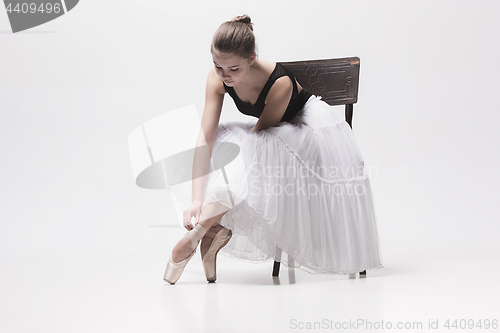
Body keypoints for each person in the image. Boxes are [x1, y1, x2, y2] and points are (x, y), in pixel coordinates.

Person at [163, 15, 383, 284]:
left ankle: (202, 232)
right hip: (268, 133)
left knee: (250, 153)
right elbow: (205, 136)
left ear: (252, 58)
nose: (226, 76)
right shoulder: (217, 78)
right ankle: (208, 230)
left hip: (306, 130)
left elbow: (259, 142)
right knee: (220, 139)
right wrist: (196, 200)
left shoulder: (280, 83)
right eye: (218, 67)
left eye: (234, 68)